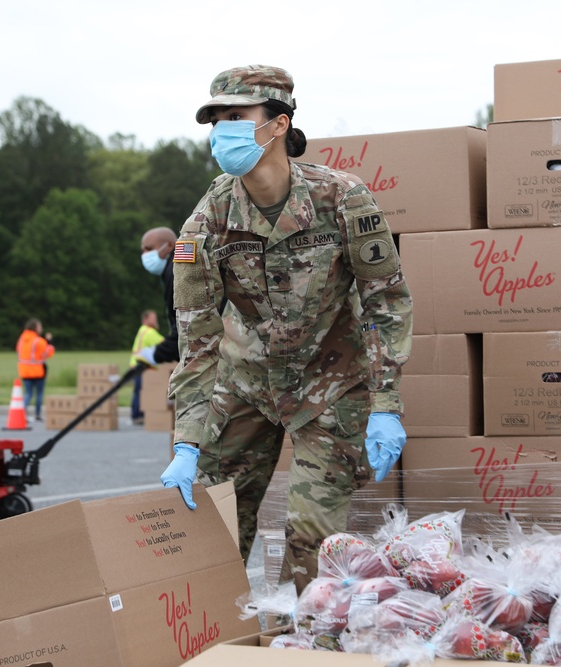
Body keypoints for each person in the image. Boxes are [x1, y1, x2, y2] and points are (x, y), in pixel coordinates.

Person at [160, 65, 413, 593]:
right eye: (215, 121)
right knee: (212, 534)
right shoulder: (206, 222)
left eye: (236, 117)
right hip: (244, 386)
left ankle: (304, 643)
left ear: (277, 124)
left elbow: (384, 301)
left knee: (313, 544)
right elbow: (198, 338)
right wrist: (188, 441)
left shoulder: (341, 199)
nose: (222, 131)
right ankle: (215, 642)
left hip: (329, 387)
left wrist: (385, 405)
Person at [136, 227, 181, 366]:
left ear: (169, 245)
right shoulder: (172, 270)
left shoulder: (177, 272)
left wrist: (158, 353)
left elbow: (185, 329)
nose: (145, 255)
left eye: (149, 249)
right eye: (142, 251)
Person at [128, 309, 166, 424]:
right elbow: (164, 343)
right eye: (153, 318)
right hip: (141, 366)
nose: (155, 320)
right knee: (142, 392)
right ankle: (138, 416)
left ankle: (135, 415)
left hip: (136, 365)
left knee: (138, 391)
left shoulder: (142, 330)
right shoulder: (149, 332)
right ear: (145, 319)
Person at [16, 318, 55, 422]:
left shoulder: (21, 339)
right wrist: (49, 342)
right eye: (40, 326)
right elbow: (47, 353)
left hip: (24, 370)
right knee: (39, 393)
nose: (41, 328)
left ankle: (22, 414)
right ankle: (37, 414)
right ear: (36, 328)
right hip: (38, 370)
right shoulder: (39, 341)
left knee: (28, 393)